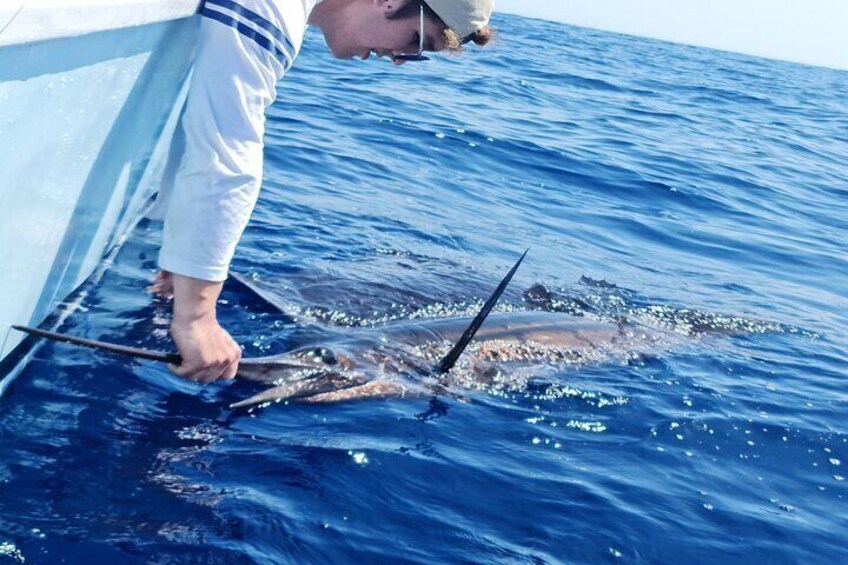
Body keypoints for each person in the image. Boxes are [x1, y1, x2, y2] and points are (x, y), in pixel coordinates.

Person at [148, 0, 495, 384]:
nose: (399, 60)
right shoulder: (273, 8)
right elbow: (226, 158)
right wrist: (197, 317)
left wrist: (188, 256)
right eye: (416, 42)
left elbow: (197, 119)